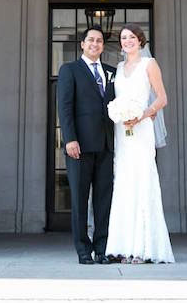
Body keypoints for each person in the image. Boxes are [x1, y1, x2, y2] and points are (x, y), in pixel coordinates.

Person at [105, 24, 175, 264]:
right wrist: (120, 113)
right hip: (122, 131)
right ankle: (124, 247)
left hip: (142, 127)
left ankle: (145, 249)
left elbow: (163, 98)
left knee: (142, 180)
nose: (127, 41)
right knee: (123, 182)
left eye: (131, 37)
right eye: (123, 38)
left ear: (140, 40)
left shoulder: (150, 64)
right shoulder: (119, 67)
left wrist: (143, 115)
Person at [56, 25, 117, 264]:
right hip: (79, 146)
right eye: (90, 40)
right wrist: (69, 138)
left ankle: (102, 248)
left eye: (99, 41)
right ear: (82, 44)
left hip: (106, 146)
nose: (95, 44)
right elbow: (65, 106)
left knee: (104, 200)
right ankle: (83, 250)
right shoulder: (69, 70)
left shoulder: (112, 72)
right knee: (80, 200)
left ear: (103, 46)